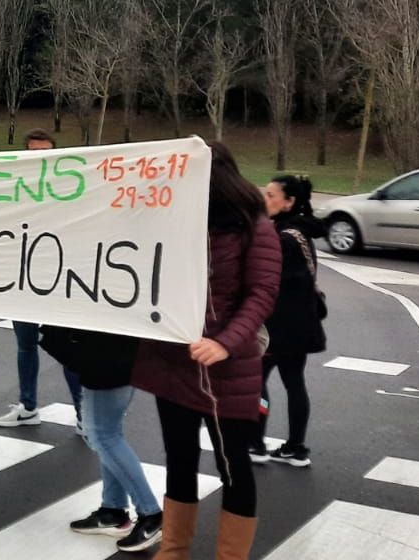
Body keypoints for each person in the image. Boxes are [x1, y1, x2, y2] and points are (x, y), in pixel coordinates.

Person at [132, 141, 279, 560]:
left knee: (233, 466)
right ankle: (174, 549)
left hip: (228, 369)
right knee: (178, 459)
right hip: (172, 361)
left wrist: (225, 342)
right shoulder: (172, 221)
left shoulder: (253, 225)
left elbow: (262, 293)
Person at [40, 325, 163, 551]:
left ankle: (150, 514)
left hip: (106, 356)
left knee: (103, 435)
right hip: (116, 353)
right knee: (108, 433)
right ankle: (113, 510)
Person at [0, 128, 85, 436]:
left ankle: (84, 414)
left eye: (46, 153)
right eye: (33, 154)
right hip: (22, 283)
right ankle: (28, 406)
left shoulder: (68, 191)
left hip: (57, 284)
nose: (40, 159)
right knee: (25, 346)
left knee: (68, 349)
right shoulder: (13, 193)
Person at [250, 174, 328, 468]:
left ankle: (255, 442)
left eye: (271, 195)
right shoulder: (300, 231)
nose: (264, 199)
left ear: (289, 202)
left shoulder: (283, 237)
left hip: (276, 327)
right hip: (300, 325)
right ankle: (296, 447)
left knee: (257, 383)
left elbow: (271, 283)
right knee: (294, 383)